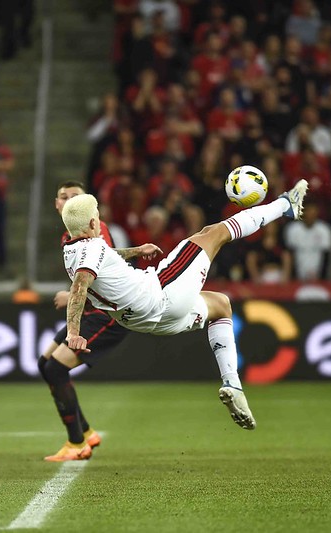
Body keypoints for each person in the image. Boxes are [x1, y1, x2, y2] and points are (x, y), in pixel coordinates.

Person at [61, 180, 309, 436]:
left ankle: (233, 384)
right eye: (97, 218)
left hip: (147, 321)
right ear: (92, 224)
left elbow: (103, 256)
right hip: (160, 294)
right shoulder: (90, 252)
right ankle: (285, 205)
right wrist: (73, 332)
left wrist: (136, 251)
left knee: (221, 305)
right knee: (214, 233)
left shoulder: (73, 248)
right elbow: (80, 285)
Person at [39, 181, 130, 462]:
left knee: (55, 369)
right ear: (57, 205)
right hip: (90, 310)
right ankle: (86, 432)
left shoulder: (94, 229)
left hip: (105, 314)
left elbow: (107, 268)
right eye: (63, 197)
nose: (68, 201)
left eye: (75, 197)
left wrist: (73, 293)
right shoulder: (69, 234)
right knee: (45, 364)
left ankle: (76, 442)